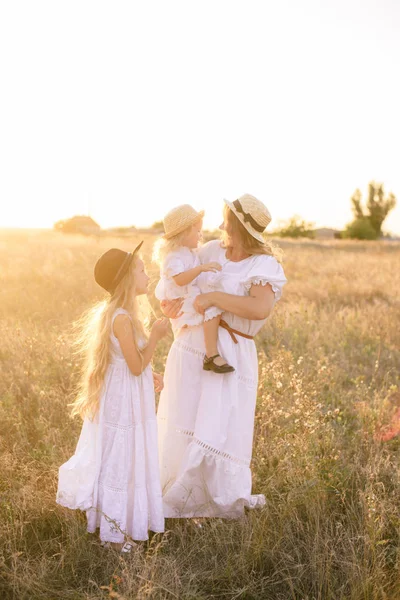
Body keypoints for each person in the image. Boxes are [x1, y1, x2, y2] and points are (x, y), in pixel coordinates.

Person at [157, 195, 287, 519]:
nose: (219, 226)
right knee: (184, 417)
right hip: (192, 345)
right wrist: (168, 304)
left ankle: (210, 501)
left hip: (231, 353)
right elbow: (182, 280)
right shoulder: (212, 250)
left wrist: (214, 297)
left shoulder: (264, 266)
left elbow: (260, 308)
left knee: (219, 426)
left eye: (226, 222)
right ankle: (178, 496)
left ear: (242, 230)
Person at [56, 242, 169, 551]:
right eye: (142, 270)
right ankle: (115, 535)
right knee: (123, 457)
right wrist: (157, 338)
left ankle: (122, 522)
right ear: (127, 280)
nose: (148, 275)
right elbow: (134, 366)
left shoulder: (120, 314)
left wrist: (151, 373)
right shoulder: (122, 318)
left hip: (124, 395)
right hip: (124, 403)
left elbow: (130, 362)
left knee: (124, 455)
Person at [153, 204, 234, 374]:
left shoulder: (190, 252)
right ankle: (211, 354)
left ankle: (211, 353)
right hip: (184, 300)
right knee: (212, 309)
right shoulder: (173, 256)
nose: (200, 235)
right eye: (197, 231)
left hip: (190, 297)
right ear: (184, 233)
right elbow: (180, 280)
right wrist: (200, 269)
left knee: (213, 308)